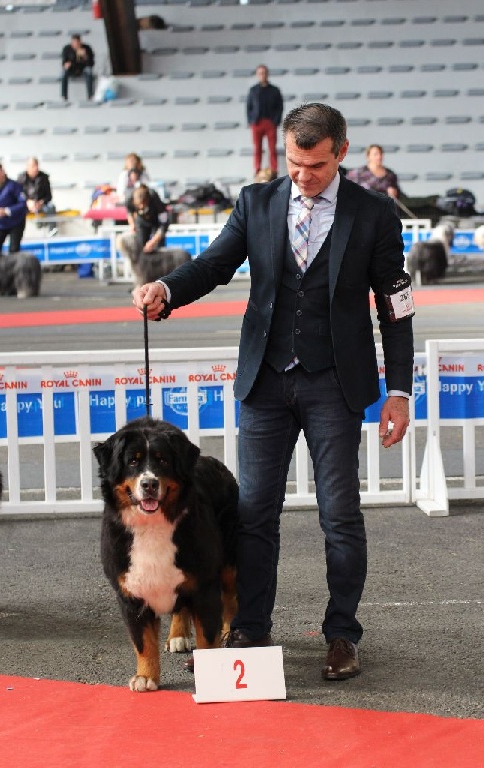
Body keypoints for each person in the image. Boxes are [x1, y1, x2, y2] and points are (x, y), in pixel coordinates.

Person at [132, 103, 414, 681]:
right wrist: (165, 287)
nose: (302, 176)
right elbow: (212, 265)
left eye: (314, 165)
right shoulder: (257, 203)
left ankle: (342, 635)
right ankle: (252, 627)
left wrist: (401, 390)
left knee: (340, 516)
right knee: (255, 513)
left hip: (336, 384)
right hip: (264, 381)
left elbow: (396, 307)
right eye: (292, 162)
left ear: (341, 152)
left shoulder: (376, 215)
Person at [116, 183, 169, 280]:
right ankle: (142, 280)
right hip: (141, 222)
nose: (141, 207)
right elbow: (130, 214)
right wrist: (132, 225)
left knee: (157, 250)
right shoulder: (129, 198)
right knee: (140, 250)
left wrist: (153, 241)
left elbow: (164, 224)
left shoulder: (155, 198)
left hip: (156, 222)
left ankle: (160, 280)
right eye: (138, 205)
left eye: (143, 204)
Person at [246, 64, 284, 181]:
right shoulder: (253, 90)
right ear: (257, 75)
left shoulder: (275, 90)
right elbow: (249, 107)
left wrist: (275, 121)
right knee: (257, 148)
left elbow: (280, 106)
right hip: (257, 123)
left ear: (267, 74)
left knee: (272, 148)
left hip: (270, 123)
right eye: (260, 73)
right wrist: (251, 121)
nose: (262, 75)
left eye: (264, 73)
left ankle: (274, 170)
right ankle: (257, 170)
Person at [0, 162, 27, 254]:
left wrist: (7, 211)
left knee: (13, 251)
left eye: (2, 171)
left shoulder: (14, 185)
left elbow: (23, 204)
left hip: (16, 223)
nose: (3, 174)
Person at [61, 33, 95, 101]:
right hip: (72, 68)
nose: (76, 45)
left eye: (77, 43)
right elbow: (64, 61)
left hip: (83, 68)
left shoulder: (86, 48)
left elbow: (91, 63)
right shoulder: (67, 49)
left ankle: (90, 95)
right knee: (64, 74)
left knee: (89, 71)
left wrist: (85, 57)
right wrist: (67, 64)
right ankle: (64, 95)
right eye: (74, 43)